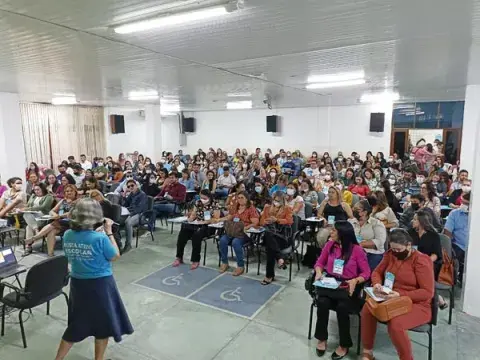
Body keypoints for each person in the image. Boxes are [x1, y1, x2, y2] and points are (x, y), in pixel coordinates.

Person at [54, 198, 133, 360]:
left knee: (77, 324)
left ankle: (58, 359)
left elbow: (72, 254)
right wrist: (109, 231)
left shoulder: (68, 234)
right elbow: (115, 256)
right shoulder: (100, 238)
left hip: (77, 283)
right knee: (102, 325)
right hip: (100, 285)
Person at [360, 229, 434, 360]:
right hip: (390, 297)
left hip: (416, 304)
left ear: (409, 245)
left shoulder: (421, 260)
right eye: (393, 249)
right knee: (367, 310)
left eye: (399, 250)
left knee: (396, 324)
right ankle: (367, 352)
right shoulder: (391, 255)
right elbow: (376, 272)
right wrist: (377, 283)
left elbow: (427, 292)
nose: (396, 253)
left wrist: (400, 294)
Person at [313, 221, 371, 359]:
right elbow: (320, 263)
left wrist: (355, 280)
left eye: (333, 231)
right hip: (331, 282)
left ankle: (344, 344)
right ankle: (322, 338)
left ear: (342, 234)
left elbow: (366, 273)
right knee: (322, 302)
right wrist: (319, 272)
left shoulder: (357, 250)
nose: (330, 232)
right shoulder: (329, 245)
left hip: (348, 285)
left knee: (342, 307)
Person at [24, 184, 78, 256]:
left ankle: (35, 237)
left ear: (75, 192)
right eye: (67, 191)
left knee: (55, 223)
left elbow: (72, 213)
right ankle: (50, 254)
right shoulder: (63, 201)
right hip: (61, 223)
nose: (69, 192)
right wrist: (55, 214)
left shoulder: (79, 201)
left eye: (71, 191)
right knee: (52, 231)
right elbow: (51, 211)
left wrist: (59, 216)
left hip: (73, 223)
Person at [173, 190, 221, 270]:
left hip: (209, 226)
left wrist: (204, 222)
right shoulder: (198, 202)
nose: (202, 199)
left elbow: (216, 218)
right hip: (197, 224)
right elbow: (193, 214)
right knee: (183, 233)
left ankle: (195, 260)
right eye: (201, 197)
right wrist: (190, 219)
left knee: (196, 235)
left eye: (204, 198)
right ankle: (179, 257)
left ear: (209, 197)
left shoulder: (215, 204)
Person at [409, 210, 447, 309]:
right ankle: (437, 298)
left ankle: (427, 301)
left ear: (422, 221)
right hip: (412, 261)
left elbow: (436, 254)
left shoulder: (433, 235)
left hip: (430, 262)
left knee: (422, 273)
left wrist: (424, 262)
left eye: (415, 219)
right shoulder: (410, 233)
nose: (412, 221)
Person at [217, 191, 260, 276]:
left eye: (242, 198)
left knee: (235, 242)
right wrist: (219, 220)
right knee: (222, 240)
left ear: (247, 199)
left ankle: (240, 266)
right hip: (233, 231)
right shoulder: (235, 207)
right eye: (238, 198)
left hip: (244, 233)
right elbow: (229, 217)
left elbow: (255, 222)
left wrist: (246, 227)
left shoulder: (251, 209)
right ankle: (225, 263)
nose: (239, 200)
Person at [259, 191, 294, 284]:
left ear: (282, 201)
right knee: (268, 235)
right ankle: (280, 258)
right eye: (274, 200)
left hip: (282, 236)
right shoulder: (267, 208)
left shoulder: (287, 208)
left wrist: (277, 220)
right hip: (269, 236)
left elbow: (290, 221)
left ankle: (269, 276)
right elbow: (261, 222)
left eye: (278, 200)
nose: (276, 202)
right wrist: (266, 221)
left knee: (269, 247)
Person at [351, 200, 387, 270]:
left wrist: (360, 244)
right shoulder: (351, 222)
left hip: (372, 253)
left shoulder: (376, 223)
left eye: (357, 209)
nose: (353, 210)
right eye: (353, 208)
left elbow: (379, 241)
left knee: (365, 270)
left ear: (365, 212)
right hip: (354, 251)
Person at [444, 192, 470, 286]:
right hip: (458, 245)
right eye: (462, 202)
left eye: (466, 204)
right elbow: (447, 231)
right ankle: (456, 277)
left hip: (474, 247)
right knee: (456, 253)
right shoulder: (455, 213)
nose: (463, 205)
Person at [121, 180, 148, 253]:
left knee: (128, 222)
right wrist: (124, 194)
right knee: (117, 219)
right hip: (132, 213)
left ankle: (128, 245)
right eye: (128, 186)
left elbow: (140, 209)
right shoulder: (131, 194)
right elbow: (125, 205)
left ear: (136, 185)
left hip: (141, 215)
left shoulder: (142, 194)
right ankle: (118, 243)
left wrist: (130, 214)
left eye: (132, 185)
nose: (130, 187)